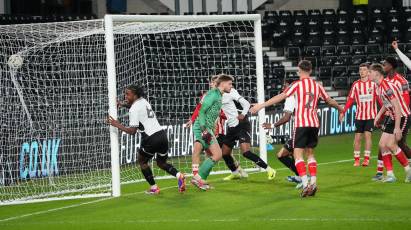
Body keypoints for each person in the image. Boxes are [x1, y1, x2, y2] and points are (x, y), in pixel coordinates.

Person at [250, 60, 343, 197]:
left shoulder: (297, 85)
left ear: (299, 70)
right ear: (311, 70)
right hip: (314, 124)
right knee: (310, 154)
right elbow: (329, 101)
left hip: (301, 124)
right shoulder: (317, 86)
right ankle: (314, 183)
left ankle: (305, 185)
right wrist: (341, 109)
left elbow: (281, 96)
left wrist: (261, 105)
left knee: (298, 155)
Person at [108, 85, 185, 195]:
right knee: (161, 163)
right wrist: (121, 104)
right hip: (162, 135)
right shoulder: (144, 101)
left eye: (127, 94)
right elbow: (131, 105)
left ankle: (154, 188)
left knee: (142, 161)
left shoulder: (134, 109)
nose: (125, 96)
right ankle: (179, 175)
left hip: (151, 138)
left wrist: (117, 124)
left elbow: (132, 131)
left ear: (134, 95)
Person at [221, 81, 275, 181]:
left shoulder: (231, 92)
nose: (231, 85)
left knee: (246, 152)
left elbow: (246, 103)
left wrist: (243, 114)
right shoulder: (216, 94)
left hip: (241, 124)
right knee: (225, 153)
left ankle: (269, 169)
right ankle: (235, 173)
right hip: (231, 125)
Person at [369, 63, 411, 183]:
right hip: (393, 116)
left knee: (392, 144)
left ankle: (408, 171)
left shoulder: (386, 86)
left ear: (376, 74)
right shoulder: (379, 86)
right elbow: (386, 104)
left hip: (402, 116)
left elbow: (397, 106)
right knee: (382, 144)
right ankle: (391, 175)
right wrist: (378, 115)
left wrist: (397, 127)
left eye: (370, 72)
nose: (369, 74)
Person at [190, 74, 233, 190]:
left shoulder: (219, 95)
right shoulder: (213, 94)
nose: (231, 86)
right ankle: (197, 178)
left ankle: (200, 179)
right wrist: (204, 130)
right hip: (202, 127)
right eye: (230, 84)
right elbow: (202, 111)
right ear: (223, 84)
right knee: (217, 154)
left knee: (211, 154)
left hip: (207, 127)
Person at [339, 63, 378, 167]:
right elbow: (350, 99)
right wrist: (343, 111)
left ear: (368, 72)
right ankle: (356, 160)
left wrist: (385, 110)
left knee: (368, 136)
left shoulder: (373, 84)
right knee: (357, 138)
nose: (362, 72)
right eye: (360, 70)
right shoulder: (356, 84)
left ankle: (366, 159)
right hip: (359, 116)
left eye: (364, 70)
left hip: (370, 115)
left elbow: (379, 98)